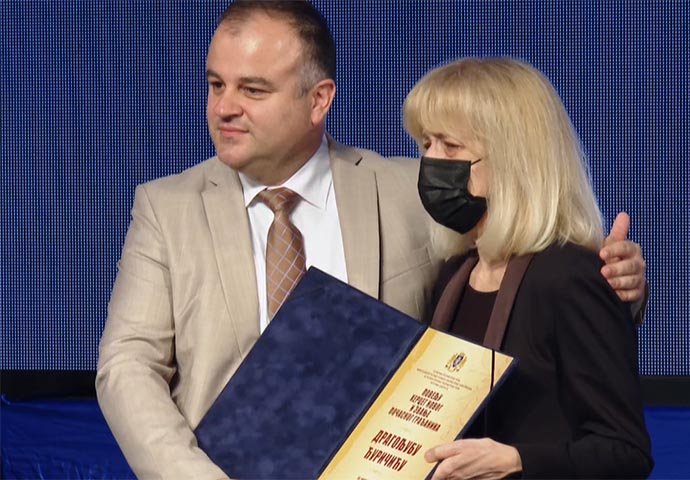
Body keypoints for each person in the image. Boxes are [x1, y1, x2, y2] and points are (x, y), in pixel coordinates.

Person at [95, 2, 647, 478]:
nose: (224, 108)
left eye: (253, 89)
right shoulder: (165, 208)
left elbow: (526, 275)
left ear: (319, 99)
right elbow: (127, 366)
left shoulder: (416, 191)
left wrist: (617, 283)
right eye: (216, 84)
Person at [403, 58, 653, 479]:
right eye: (426, 144)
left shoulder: (568, 278)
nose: (431, 162)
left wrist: (517, 461)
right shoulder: (454, 276)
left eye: (450, 146)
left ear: (512, 159)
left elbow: (624, 451)